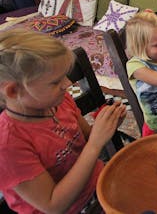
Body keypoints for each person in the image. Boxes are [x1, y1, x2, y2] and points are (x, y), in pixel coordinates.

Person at [0, 29, 126, 213]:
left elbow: (89, 137)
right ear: (13, 92)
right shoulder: (7, 144)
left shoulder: (59, 101)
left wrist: (108, 125)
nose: (67, 84)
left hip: (99, 185)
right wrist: (95, 144)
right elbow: (53, 205)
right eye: (55, 82)